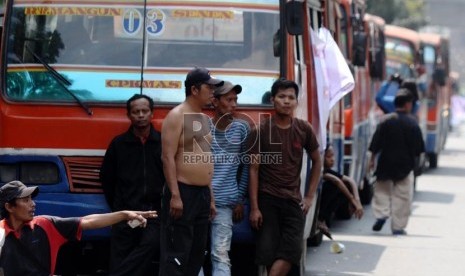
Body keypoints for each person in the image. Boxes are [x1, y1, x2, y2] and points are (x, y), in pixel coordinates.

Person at [0, 180, 157, 276]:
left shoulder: (45, 225)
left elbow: (88, 221)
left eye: (31, 200)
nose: (33, 204)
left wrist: (124, 215)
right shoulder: (1, 233)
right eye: (25, 200)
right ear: (9, 207)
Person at [248, 78, 322, 276]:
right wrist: (254, 208)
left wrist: (309, 197)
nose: (287, 101)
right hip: (267, 200)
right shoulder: (260, 130)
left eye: (291, 97)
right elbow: (253, 170)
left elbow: (318, 161)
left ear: (297, 102)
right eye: (282, 97)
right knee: (268, 255)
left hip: (293, 201)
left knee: (291, 253)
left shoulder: (303, 129)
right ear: (273, 100)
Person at [159, 67, 223, 276]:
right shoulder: (177, 115)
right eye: (209, 87)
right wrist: (175, 195)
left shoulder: (203, 119)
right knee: (177, 254)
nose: (213, 91)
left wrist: (210, 197)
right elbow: (167, 157)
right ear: (194, 90)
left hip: (202, 194)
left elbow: (205, 158)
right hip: (183, 192)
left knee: (197, 254)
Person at [100, 94, 165, 275]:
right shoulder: (118, 144)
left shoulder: (163, 142)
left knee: (151, 244)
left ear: (152, 114)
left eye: (145, 111)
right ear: (129, 115)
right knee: (119, 254)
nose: (141, 115)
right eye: (136, 112)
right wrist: (119, 207)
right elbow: (107, 178)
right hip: (125, 213)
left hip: (154, 213)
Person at [369, 88, 425, 235]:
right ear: (407, 104)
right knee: (403, 196)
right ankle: (398, 227)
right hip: (405, 166)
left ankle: (381, 214)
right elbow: (419, 149)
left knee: (382, 191)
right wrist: (417, 166)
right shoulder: (413, 124)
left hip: (385, 163)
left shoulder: (386, 121)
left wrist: (372, 160)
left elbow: (375, 144)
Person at [209, 81, 249, 275]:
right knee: (193, 254)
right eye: (229, 99)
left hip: (225, 204)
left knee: (221, 253)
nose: (234, 104)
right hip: (199, 202)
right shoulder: (200, 128)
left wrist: (240, 198)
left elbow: (246, 166)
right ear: (215, 102)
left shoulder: (241, 129)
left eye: (236, 99)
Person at [317, 145, 364, 238]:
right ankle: (320, 219)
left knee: (346, 186)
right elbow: (336, 181)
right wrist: (352, 200)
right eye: (328, 156)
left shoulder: (329, 170)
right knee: (335, 187)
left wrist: (357, 201)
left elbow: (350, 181)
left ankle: (324, 218)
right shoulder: (320, 168)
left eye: (333, 156)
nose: (332, 159)